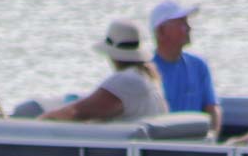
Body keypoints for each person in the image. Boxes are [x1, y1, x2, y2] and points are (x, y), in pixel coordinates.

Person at [40, 19, 169, 122]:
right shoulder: (146, 77)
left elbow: (76, 112)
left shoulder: (127, 81)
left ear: (112, 55)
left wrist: (40, 121)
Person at [149, 0, 221, 135]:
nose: (189, 28)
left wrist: (212, 138)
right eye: (182, 23)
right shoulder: (147, 72)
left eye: (186, 22)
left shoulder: (199, 65)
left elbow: (212, 108)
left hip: (198, 144)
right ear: (161, 31)